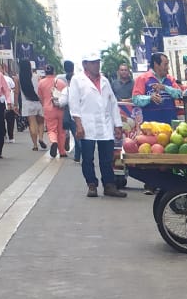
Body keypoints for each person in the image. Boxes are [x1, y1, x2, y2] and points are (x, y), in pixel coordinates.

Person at [70, 52, 127, 198]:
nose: (97, 65)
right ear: (85, 65)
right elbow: (74, 104)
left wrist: (118, 125)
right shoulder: (78, 80)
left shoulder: (105, 81)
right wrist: (78, 125)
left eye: (97, 62)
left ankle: (109, 185)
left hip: (105, 124)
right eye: (93, 62)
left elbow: (113, 103)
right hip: (87, 124)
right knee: (88, 158)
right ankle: (92, 184)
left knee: (107, 158)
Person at [132, 53, 184, 127]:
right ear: (156, 64)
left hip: (170, 124)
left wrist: (164, 88)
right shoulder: (142, 79)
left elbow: (179, 94)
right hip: (150, 127)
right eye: (165, 64)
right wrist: (150, 98)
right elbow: (135, 99)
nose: (168, 68)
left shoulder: (170, 79)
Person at [38, 64, 67, 159]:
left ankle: (54, 141)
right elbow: (66, 96)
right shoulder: (61, 83)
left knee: (51, 129)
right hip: (60, 108)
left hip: (48, 108)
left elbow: (40, 97)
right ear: (54, 72)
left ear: (45, 72)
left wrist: (44, 105)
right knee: (61, 130)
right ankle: (62, 151)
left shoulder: (41, 83)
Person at [17, 59, 45, 151]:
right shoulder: (37, 77)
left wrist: (14, 104)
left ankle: (35, 145)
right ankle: (41, 138)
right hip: (38, 101)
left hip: (27, 103)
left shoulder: (18, 78)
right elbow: (41, 90)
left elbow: (16, 92)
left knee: (32, 123)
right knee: (41, 122)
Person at [62, 60, 79, 161]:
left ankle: (66, 137)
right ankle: (77, 156)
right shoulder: (79, 80)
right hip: (79, 113)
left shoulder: (60, 79)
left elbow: (62, 102)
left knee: (74, 133)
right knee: (77, 133)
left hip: (69, 112)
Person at [3, 61, 17, 143]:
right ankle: (3, 134)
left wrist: (14, 103)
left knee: (10, 121)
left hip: (8, 102)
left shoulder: (8, 79)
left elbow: (14, 89)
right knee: (0, 121)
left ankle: (11, 136)